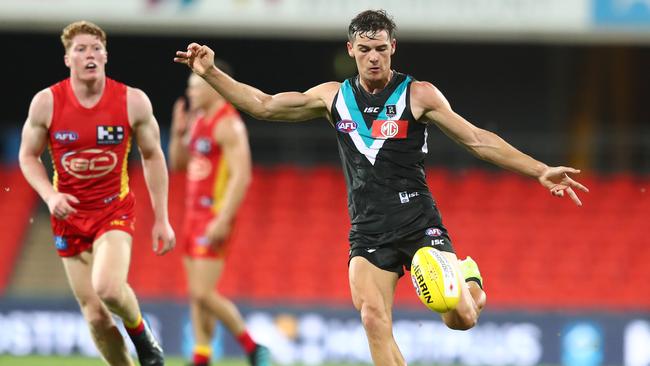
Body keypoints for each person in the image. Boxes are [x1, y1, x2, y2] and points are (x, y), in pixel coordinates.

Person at [174, 9, 589, 366]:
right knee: (373, 317)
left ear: (393, 49)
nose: (374, 57)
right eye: (366, 49)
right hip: (368, 231)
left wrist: (538, 169)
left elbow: (477, 139)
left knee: (460, 318)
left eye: (382, 49)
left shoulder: (418, 94)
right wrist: (209, 72)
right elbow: (262, 105)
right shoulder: (332, 97)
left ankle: (469, 279)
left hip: (419, 222)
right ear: (351, 49)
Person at [18, 21, 175, 366]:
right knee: (96, 317)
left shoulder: (132, 101)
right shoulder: (46, 103)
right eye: (81, 49)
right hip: (69, 218)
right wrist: (49, 196)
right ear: (67, 59)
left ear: (106, 55)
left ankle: (144, 338)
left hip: (112, 211)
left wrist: (162, 218)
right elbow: (27, 156)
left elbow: (152, 156)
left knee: (106, 288)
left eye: (96, 48)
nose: (89, 54)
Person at [168, 66, 270, 366]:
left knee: (202, 292)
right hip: (192, 214)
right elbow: (179, 164)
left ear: (213, 88)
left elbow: (243, 175)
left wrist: (223, 218)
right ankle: (202, 356)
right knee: (197, 295)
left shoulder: (229, 124)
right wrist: (176, 134)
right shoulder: (199, 120)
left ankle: (253, 347)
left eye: (195, 87)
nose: (190, 92)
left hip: (213, 214)